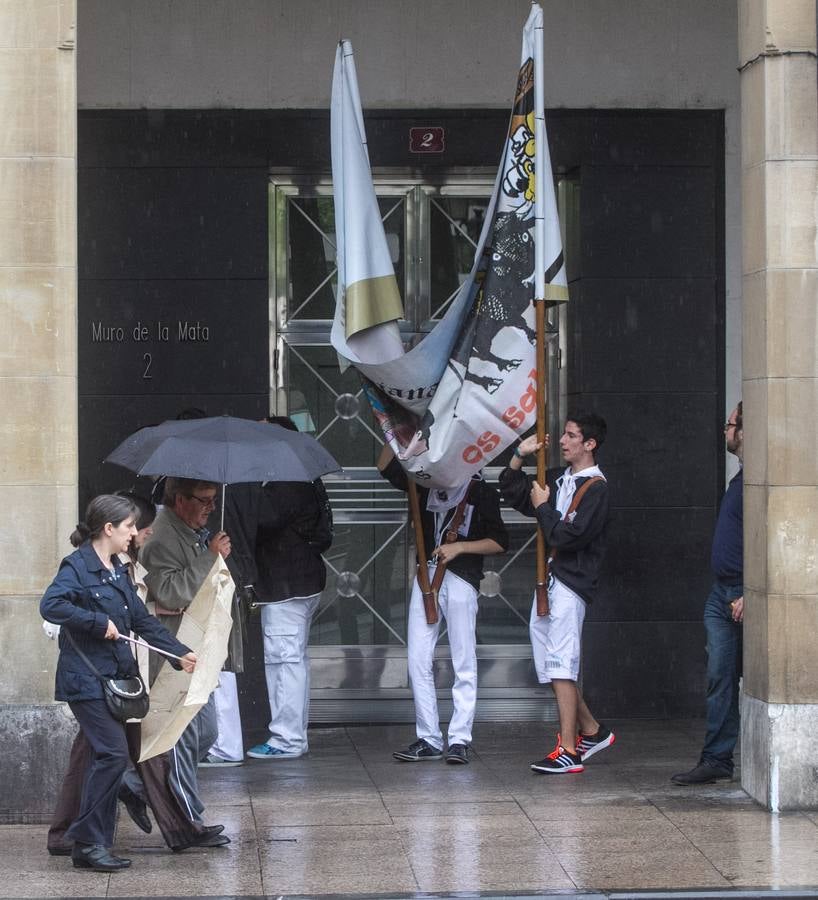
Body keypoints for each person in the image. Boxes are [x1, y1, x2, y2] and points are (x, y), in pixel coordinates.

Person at [46, 492, 219, 854]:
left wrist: (179, 653)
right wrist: (97, 622)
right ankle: (88, 840)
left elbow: (141, 619)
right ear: (108, 528)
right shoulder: (78, 566)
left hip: (119, 681)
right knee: (113, 755)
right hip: (89, 681)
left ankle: (83, 838)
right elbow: (51, 605)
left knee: (110, 755)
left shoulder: (116, 569)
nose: (137, 532)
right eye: (129, 526)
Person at [379, 444, 508, 765]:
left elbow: (500, 542)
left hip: (462, 578)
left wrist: (461, 547)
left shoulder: (481, 492)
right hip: (426, 577)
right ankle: (429, 737)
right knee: (417, 658)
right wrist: (395, 430)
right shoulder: (424, 485)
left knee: (463, 659)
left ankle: (460, 738)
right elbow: (384, 465)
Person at [500, 412, 614, 774]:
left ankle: (569, 749)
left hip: (570, 583)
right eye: (564, 435)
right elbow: (516, 494)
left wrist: (544, 508)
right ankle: (593, 730)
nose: (562, 441)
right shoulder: (561, 479)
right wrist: (520, 455)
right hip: (550, 582)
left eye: (570, 436)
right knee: (551, 665)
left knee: (562, 664)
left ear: (589, 444)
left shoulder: (596, 489)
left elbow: (567, 536)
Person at [228, 416, 333, 760]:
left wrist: (245, 486)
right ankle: (294, 734)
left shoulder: (287, 479)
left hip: (287, 583)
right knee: (292, 659)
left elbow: (265, 520)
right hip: (299, 580)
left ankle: (286, 739)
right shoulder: (299, 475)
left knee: (283, 660)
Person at [140, 478, 235, 838]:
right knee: (179, 737)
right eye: (204, 501)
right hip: (174, 651)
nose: (211, 508)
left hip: (195, 648)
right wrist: (210, 555)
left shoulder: (189, 530)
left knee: (205, 732)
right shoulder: (163, 536)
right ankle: (187, 818)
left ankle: (137, 784)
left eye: (213, 501)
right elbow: (172, 592)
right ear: (180, 501)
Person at [672, 403, 744, 785]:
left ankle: (719, 756)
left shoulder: (758, 482)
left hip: (740, 594)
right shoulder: (742, 478)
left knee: (726, 675)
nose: (725, 430)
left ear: (745, 433)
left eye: (730, 424)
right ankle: (716, 758)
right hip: (722, 594)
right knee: (719, 676)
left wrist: (750, 591)